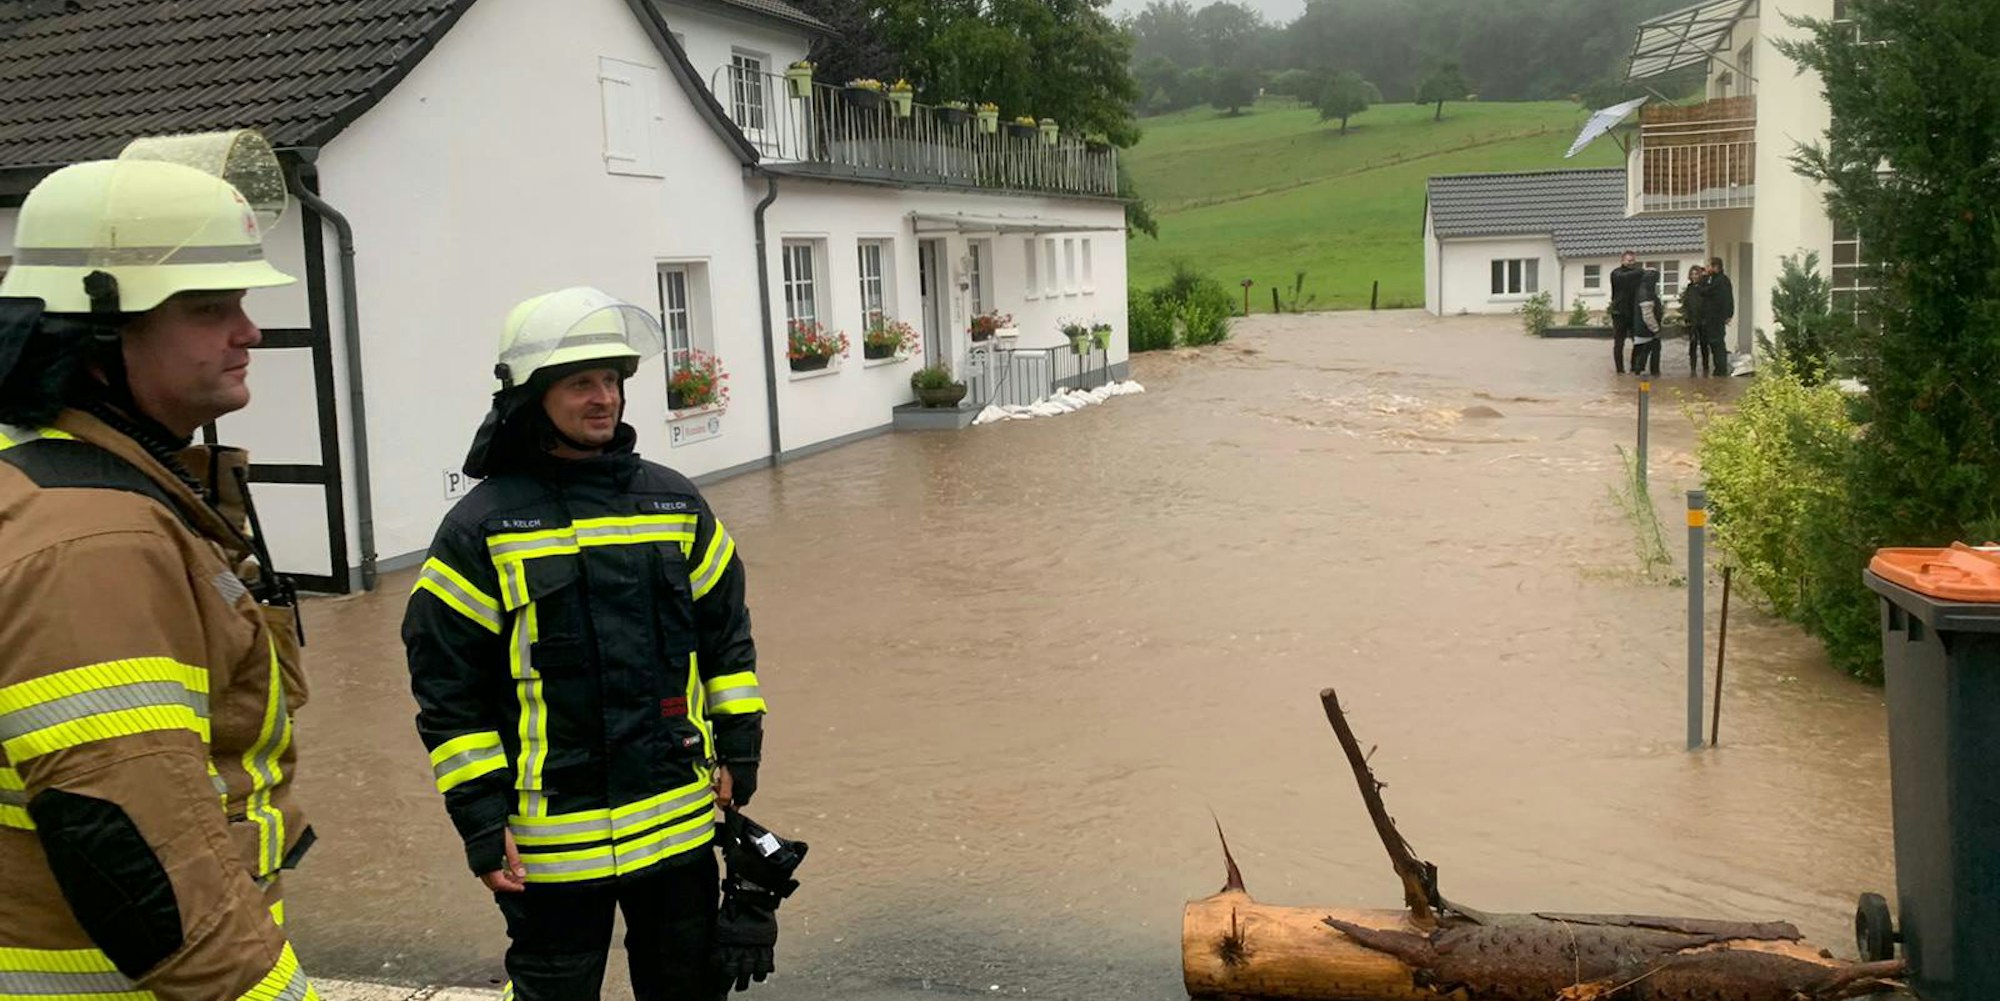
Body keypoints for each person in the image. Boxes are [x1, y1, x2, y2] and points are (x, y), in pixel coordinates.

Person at [0, 137, 321, 1000]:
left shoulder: (52, 477)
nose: (250, 330)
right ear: (97, 326)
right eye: (212, 306)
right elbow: (133, 840)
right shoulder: (94, 539)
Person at [403, 287, 776, 1001]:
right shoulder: (479, 529)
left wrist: (742, 744)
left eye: (612, 381)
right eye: (581, 382)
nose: (604, 398)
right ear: (530, 396)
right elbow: (448, 690)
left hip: (678, 830)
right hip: (550, 850)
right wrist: (481, 820)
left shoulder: (675, 504)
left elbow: (726, 637)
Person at [1608, 251, 1645, 375]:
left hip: (1634, 312)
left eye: (1633, 261)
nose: (1631, 263)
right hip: (1619, 312)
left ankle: (1635, 367)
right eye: (1629, 261)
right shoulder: (1616, 274)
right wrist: (1640, 271)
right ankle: (1620, 370)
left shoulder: (1637, 274)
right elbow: (1623, 278)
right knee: (1619, 342)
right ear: (1622, 261)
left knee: (1638, 340)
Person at [1701, 256, 1736, 377]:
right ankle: (1718, 368)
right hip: (1711, 317)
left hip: (1717, 317)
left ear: (1716, 267)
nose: (1706, 268)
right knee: (1714, 343)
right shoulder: (1713, 279)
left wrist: (1729, 314)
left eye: (1709, 266)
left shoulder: (1721, 280)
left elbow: (1726, 298)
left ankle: (1721, 369)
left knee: (1717, 342)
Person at [1629, 269, 1664, 377]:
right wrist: (1656, 329)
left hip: (1640, 329)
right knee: (1649, 352)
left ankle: (1637, 375)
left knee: (1639, 354)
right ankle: (1652, 375)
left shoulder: (1641, 289)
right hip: (1647, 331)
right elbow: (1648, 315)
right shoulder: (1646, 293)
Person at [1681, 265, 1709, 375]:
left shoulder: (1704, 288)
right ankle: (1693, 367)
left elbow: (1707, 304)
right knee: (1692, 344)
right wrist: (1687, 317)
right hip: (1692, 321)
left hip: (1703, 320)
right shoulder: (1689, 288)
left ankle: (1705, 367)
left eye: (1696, 274)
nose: (1694, 276)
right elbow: (1686, 304)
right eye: (1692, 274)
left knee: (1704, 345)